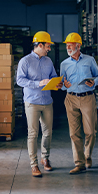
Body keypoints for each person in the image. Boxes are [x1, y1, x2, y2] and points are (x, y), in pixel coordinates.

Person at [16, 31, 63, 177]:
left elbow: (53, 77)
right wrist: (38, 83)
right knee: (33, 133)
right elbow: (20, 80)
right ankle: (34, 165)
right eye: (48, 46)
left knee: (48, 132)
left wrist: (57, 84)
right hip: (32, 102)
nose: (49, 49)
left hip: (47, 101)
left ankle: (45, 158)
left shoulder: (48, 61)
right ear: (40, 45)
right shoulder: (25, 61)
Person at [60, 32, 98, 175]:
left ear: (78, 46)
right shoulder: (64, 64)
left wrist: (94, 82)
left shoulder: (90, 60)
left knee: (90, 131)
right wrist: (64, 85)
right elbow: (62, 84)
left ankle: (87, 155)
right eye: (67, 45)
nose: (68, 47)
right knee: (74, 133)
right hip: (71, 98)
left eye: (70, 45)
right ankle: (79, 163)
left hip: (87, 97)